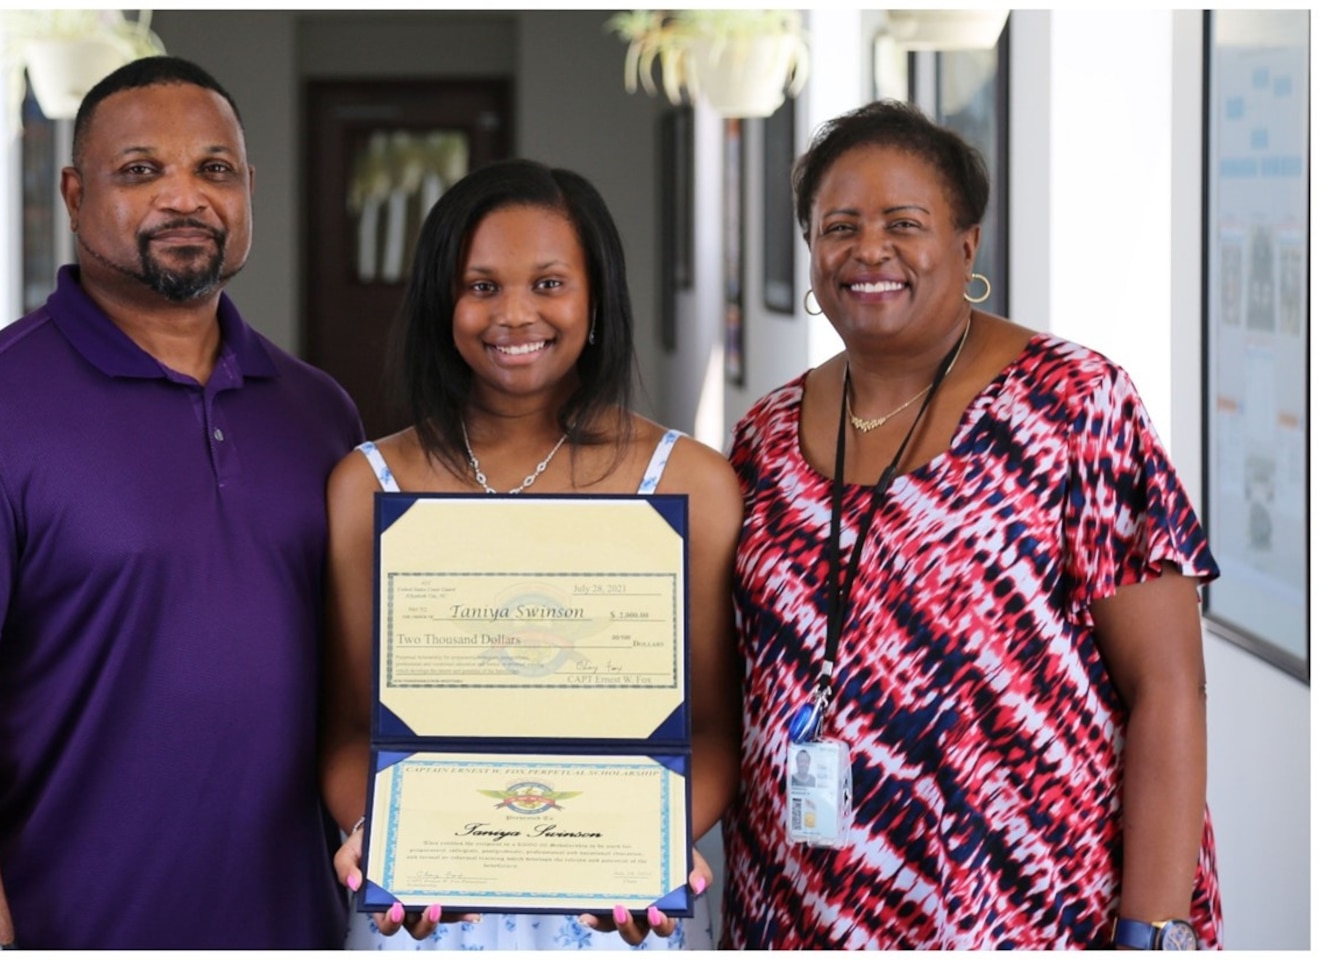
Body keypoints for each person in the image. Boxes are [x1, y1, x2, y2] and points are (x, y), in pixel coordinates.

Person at [0, 56, 363, 950]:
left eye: (214, 170)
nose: (184, 197)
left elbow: (356, 686)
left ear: (250, 189)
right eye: (140, 171)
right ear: (73, 192)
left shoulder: (320, 413)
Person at [718, 99, 1221, 949]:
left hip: (1023, 908)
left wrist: (1155, 929)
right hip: (794, 909)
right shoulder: (762, 438)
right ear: (810, 250)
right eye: (839, 226)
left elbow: (1169, 688)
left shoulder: (1076, 404)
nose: (868, 250)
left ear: (967, 244)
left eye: (903, 223)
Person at [320, 159, 743, 951]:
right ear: (441, 303)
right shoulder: (365, 486)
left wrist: (645, 851)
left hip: (620, 920)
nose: (514, 314)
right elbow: (348, 729)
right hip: (424, 921)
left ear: (596, 299)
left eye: (549, 283)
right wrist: (375, 838)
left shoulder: (693, 483)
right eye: (481, 286)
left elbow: (717, 728)